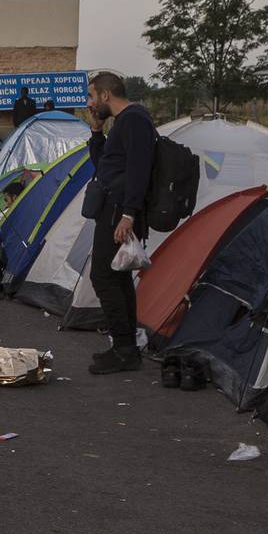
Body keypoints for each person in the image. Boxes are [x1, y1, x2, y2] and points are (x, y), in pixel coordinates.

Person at [84, 71, 155, 374]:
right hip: (112, 208)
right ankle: (125, 347)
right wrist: (97, 133)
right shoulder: (120, 123)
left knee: (103, 277)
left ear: (104, 94)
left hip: (118, 211)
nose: (88, 102)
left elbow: (140, 170)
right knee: (118, 277)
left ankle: (125, 349)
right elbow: (104, 167)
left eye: (91, 96)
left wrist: (129, 214)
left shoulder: (134, 119)